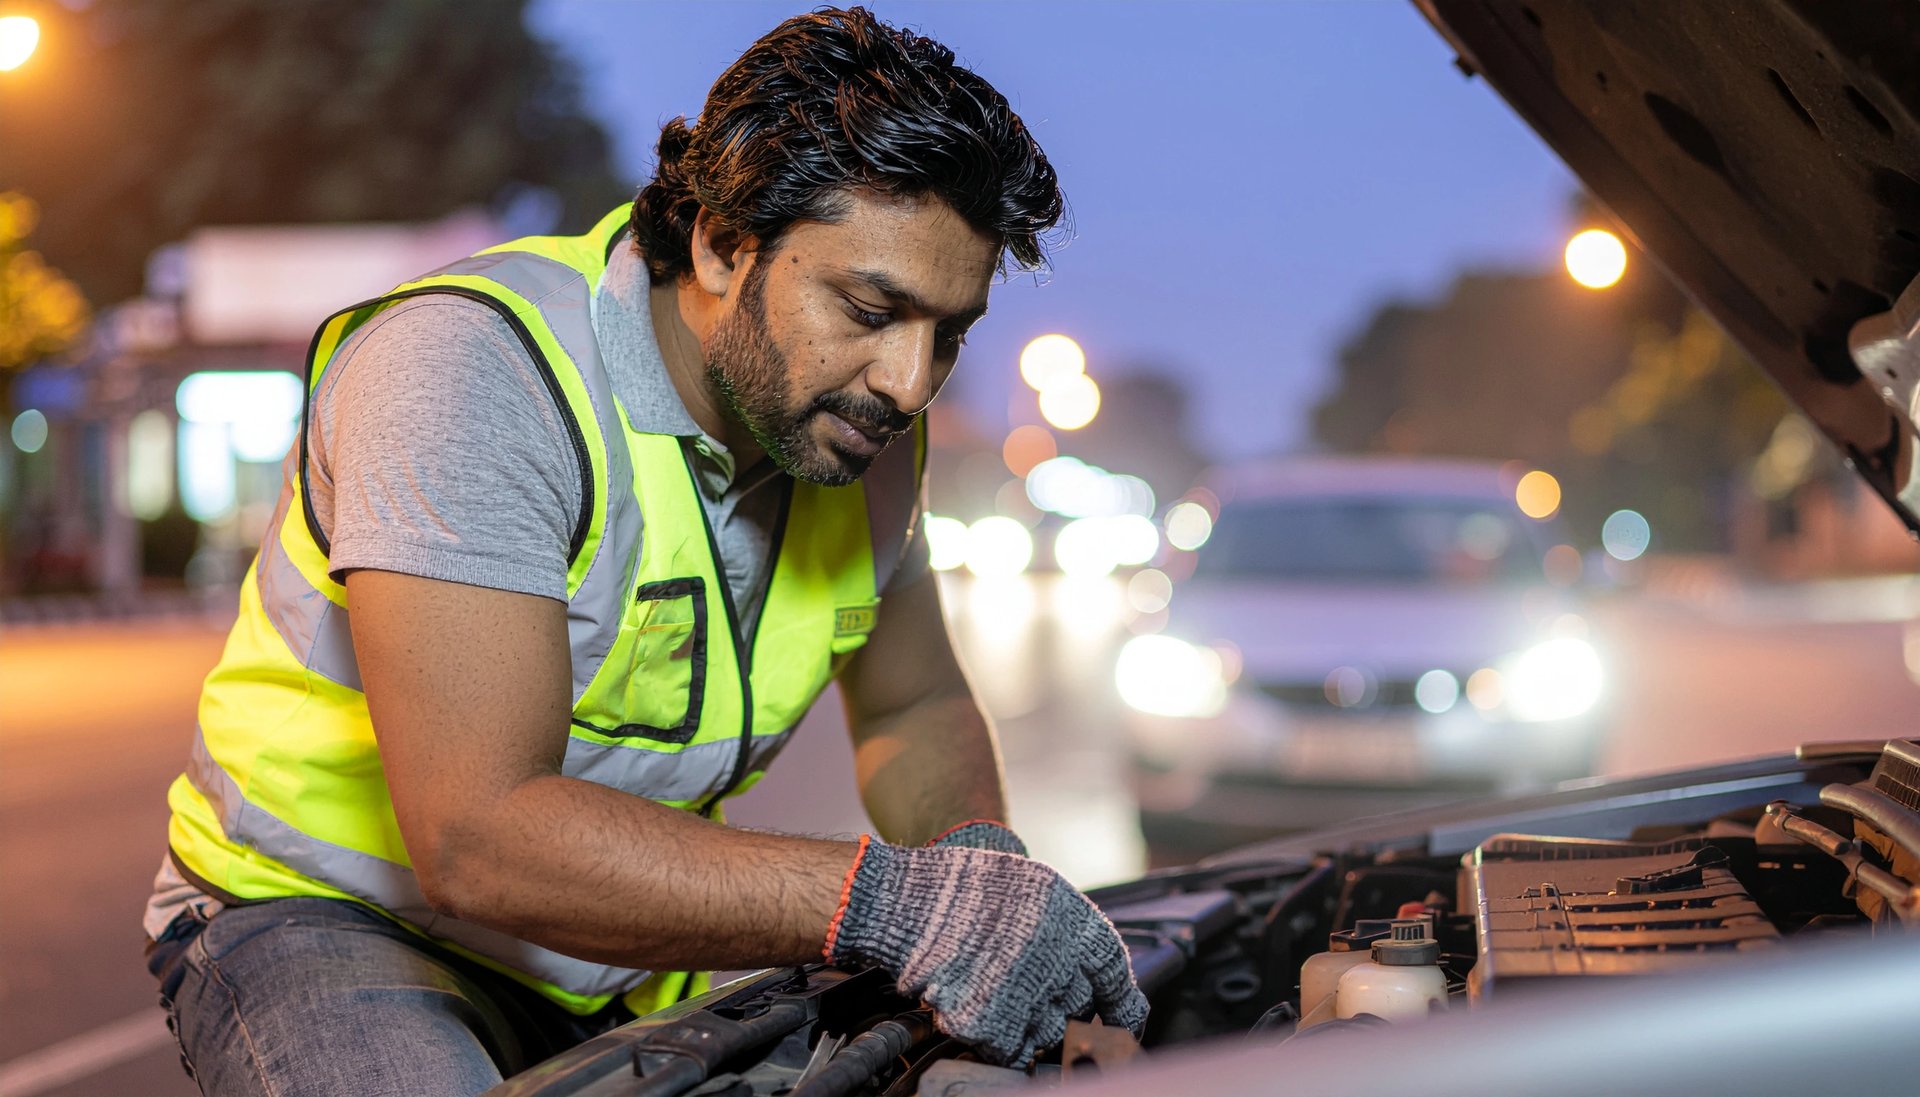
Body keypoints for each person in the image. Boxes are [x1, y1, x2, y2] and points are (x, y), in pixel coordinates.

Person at [141, 7, 1147, 1095]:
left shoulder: (855, 436)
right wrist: (901, 907)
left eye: (948, 332)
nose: (909, 381)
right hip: (335, 918)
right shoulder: (472, 372)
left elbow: (913, 705)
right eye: (870, 307)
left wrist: (979, 873)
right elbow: (477, 833)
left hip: (612, 954)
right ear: (721, 242)